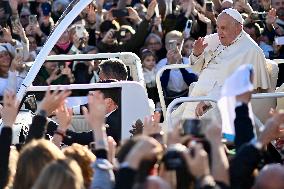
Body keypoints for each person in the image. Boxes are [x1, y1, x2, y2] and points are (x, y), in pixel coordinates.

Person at [173, 8, 271, 120]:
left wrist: (208, 101)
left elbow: (242, 87)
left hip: (219, 102)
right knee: (172, 119)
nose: (219, 32)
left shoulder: (251, 50)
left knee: (194, 127)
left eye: (223, 28)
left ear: (238, 28)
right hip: (199, 93)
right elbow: (196, 68)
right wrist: (197, 53)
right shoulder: (216, 40)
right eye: (218, 27)